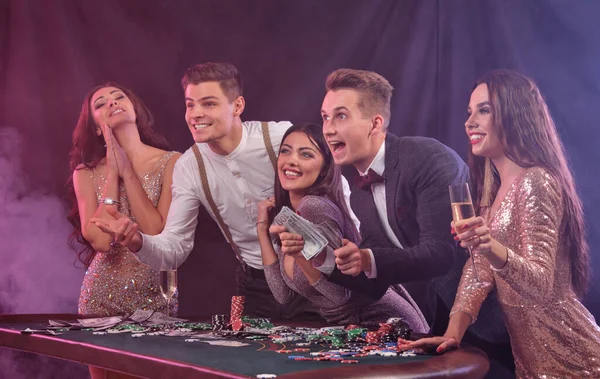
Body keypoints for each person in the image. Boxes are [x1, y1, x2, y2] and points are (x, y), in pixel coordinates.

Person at [274, 68, 514, 377]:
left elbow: (441, 253)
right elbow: (373, 282)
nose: (328, 129)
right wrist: (321, 257)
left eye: (341, 117)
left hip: (499, 315)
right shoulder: (360, 189)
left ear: (375, 123)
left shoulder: (427, 158)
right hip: (445, 322)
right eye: (325, 117)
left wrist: (366, 258)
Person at [95, 63, 357, 320]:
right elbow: (175, 247)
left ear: (238, 106)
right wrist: (136, 241)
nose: (195, 114)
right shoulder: (189, 166)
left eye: (209, 103)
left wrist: (350, 246)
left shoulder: (279, 138)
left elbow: (336, 191)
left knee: (321, 360)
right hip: (257, 286)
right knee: (249, 362)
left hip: (313, 273)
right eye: (190, 104)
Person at [400, 70, 600, 378]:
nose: (469, 122)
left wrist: (489, 244)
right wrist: (453, 333)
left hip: (573, 358)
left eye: (484, 110)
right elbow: (479, 273)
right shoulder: (490, 189)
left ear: (514, 114)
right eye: (469, 112)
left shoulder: (536, 181)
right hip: (531, 361)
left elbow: (541, 285)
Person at [258, 123, 428, 329]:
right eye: (286, 151)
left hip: (385, 323)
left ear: (324, 168)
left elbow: (339, 296)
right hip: (350, 329)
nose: (291, 161)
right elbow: (283, 296)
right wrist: (262, 230)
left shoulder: (314, 207)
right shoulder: (286, 217)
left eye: (306, 155)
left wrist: (301, 256)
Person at [66, 82, 180, 378]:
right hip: (101, 298)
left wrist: (127, 169)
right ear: (94, 127)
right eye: (100, 103)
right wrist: (113, 173)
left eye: (119, 97)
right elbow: (101, 241)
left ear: (135, 110)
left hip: (155, 296)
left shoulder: (171, 162)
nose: (112, 102)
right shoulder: (85, 173)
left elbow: (156, 230)